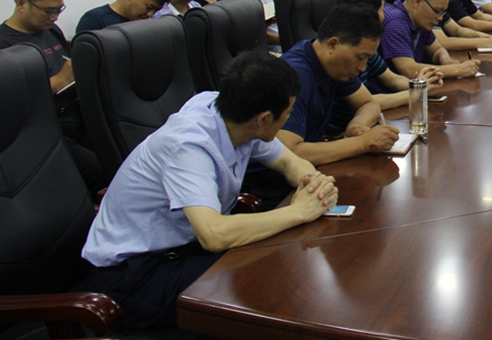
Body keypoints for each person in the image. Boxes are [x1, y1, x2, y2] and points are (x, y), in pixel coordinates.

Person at [82, 52, 339, 330]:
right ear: (265, 118)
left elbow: (289, 162)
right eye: (288, 111)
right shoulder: (188, 146)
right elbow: (214, 235)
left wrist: (314, 184)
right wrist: (299, 211)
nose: (289, 118)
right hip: (134, 274)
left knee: (277, 261)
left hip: (181, 250)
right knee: (264, 288)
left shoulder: (233, 114)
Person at [241, 4, 400, 208]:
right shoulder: (296, 75)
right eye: (360, 58)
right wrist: (362, 143)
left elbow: (368, 103)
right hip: (272, 187)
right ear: (333, 44)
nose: (362, 68)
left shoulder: (335, 65)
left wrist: (357, 125)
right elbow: (290, 152)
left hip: (311, 173)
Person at [0, 0, 104, 197]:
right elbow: (11, 107)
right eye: (48, 11)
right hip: (50, 128)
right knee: (98, 169)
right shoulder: (4, 46)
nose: (55, 17)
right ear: (21, 4)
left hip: (80, 112)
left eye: (59, 10)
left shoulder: (50, 30)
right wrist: (60, 80)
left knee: (123, 151)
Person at [333, 0, 443, 113]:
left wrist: (419, 84)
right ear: (368, 14)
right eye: (382, 9)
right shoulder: (344, 53)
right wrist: (416, 92)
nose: (384, 16)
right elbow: (366, 102)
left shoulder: (366, 47)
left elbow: (393, 80)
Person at [380, 0, 481, 80]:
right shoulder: (395, 23)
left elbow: (436, 49)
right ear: (418, 2)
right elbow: (408, 70)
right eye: (437, 11)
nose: (440, 18)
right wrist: (457, 69)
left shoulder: (419, 19)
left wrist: (444, 59)